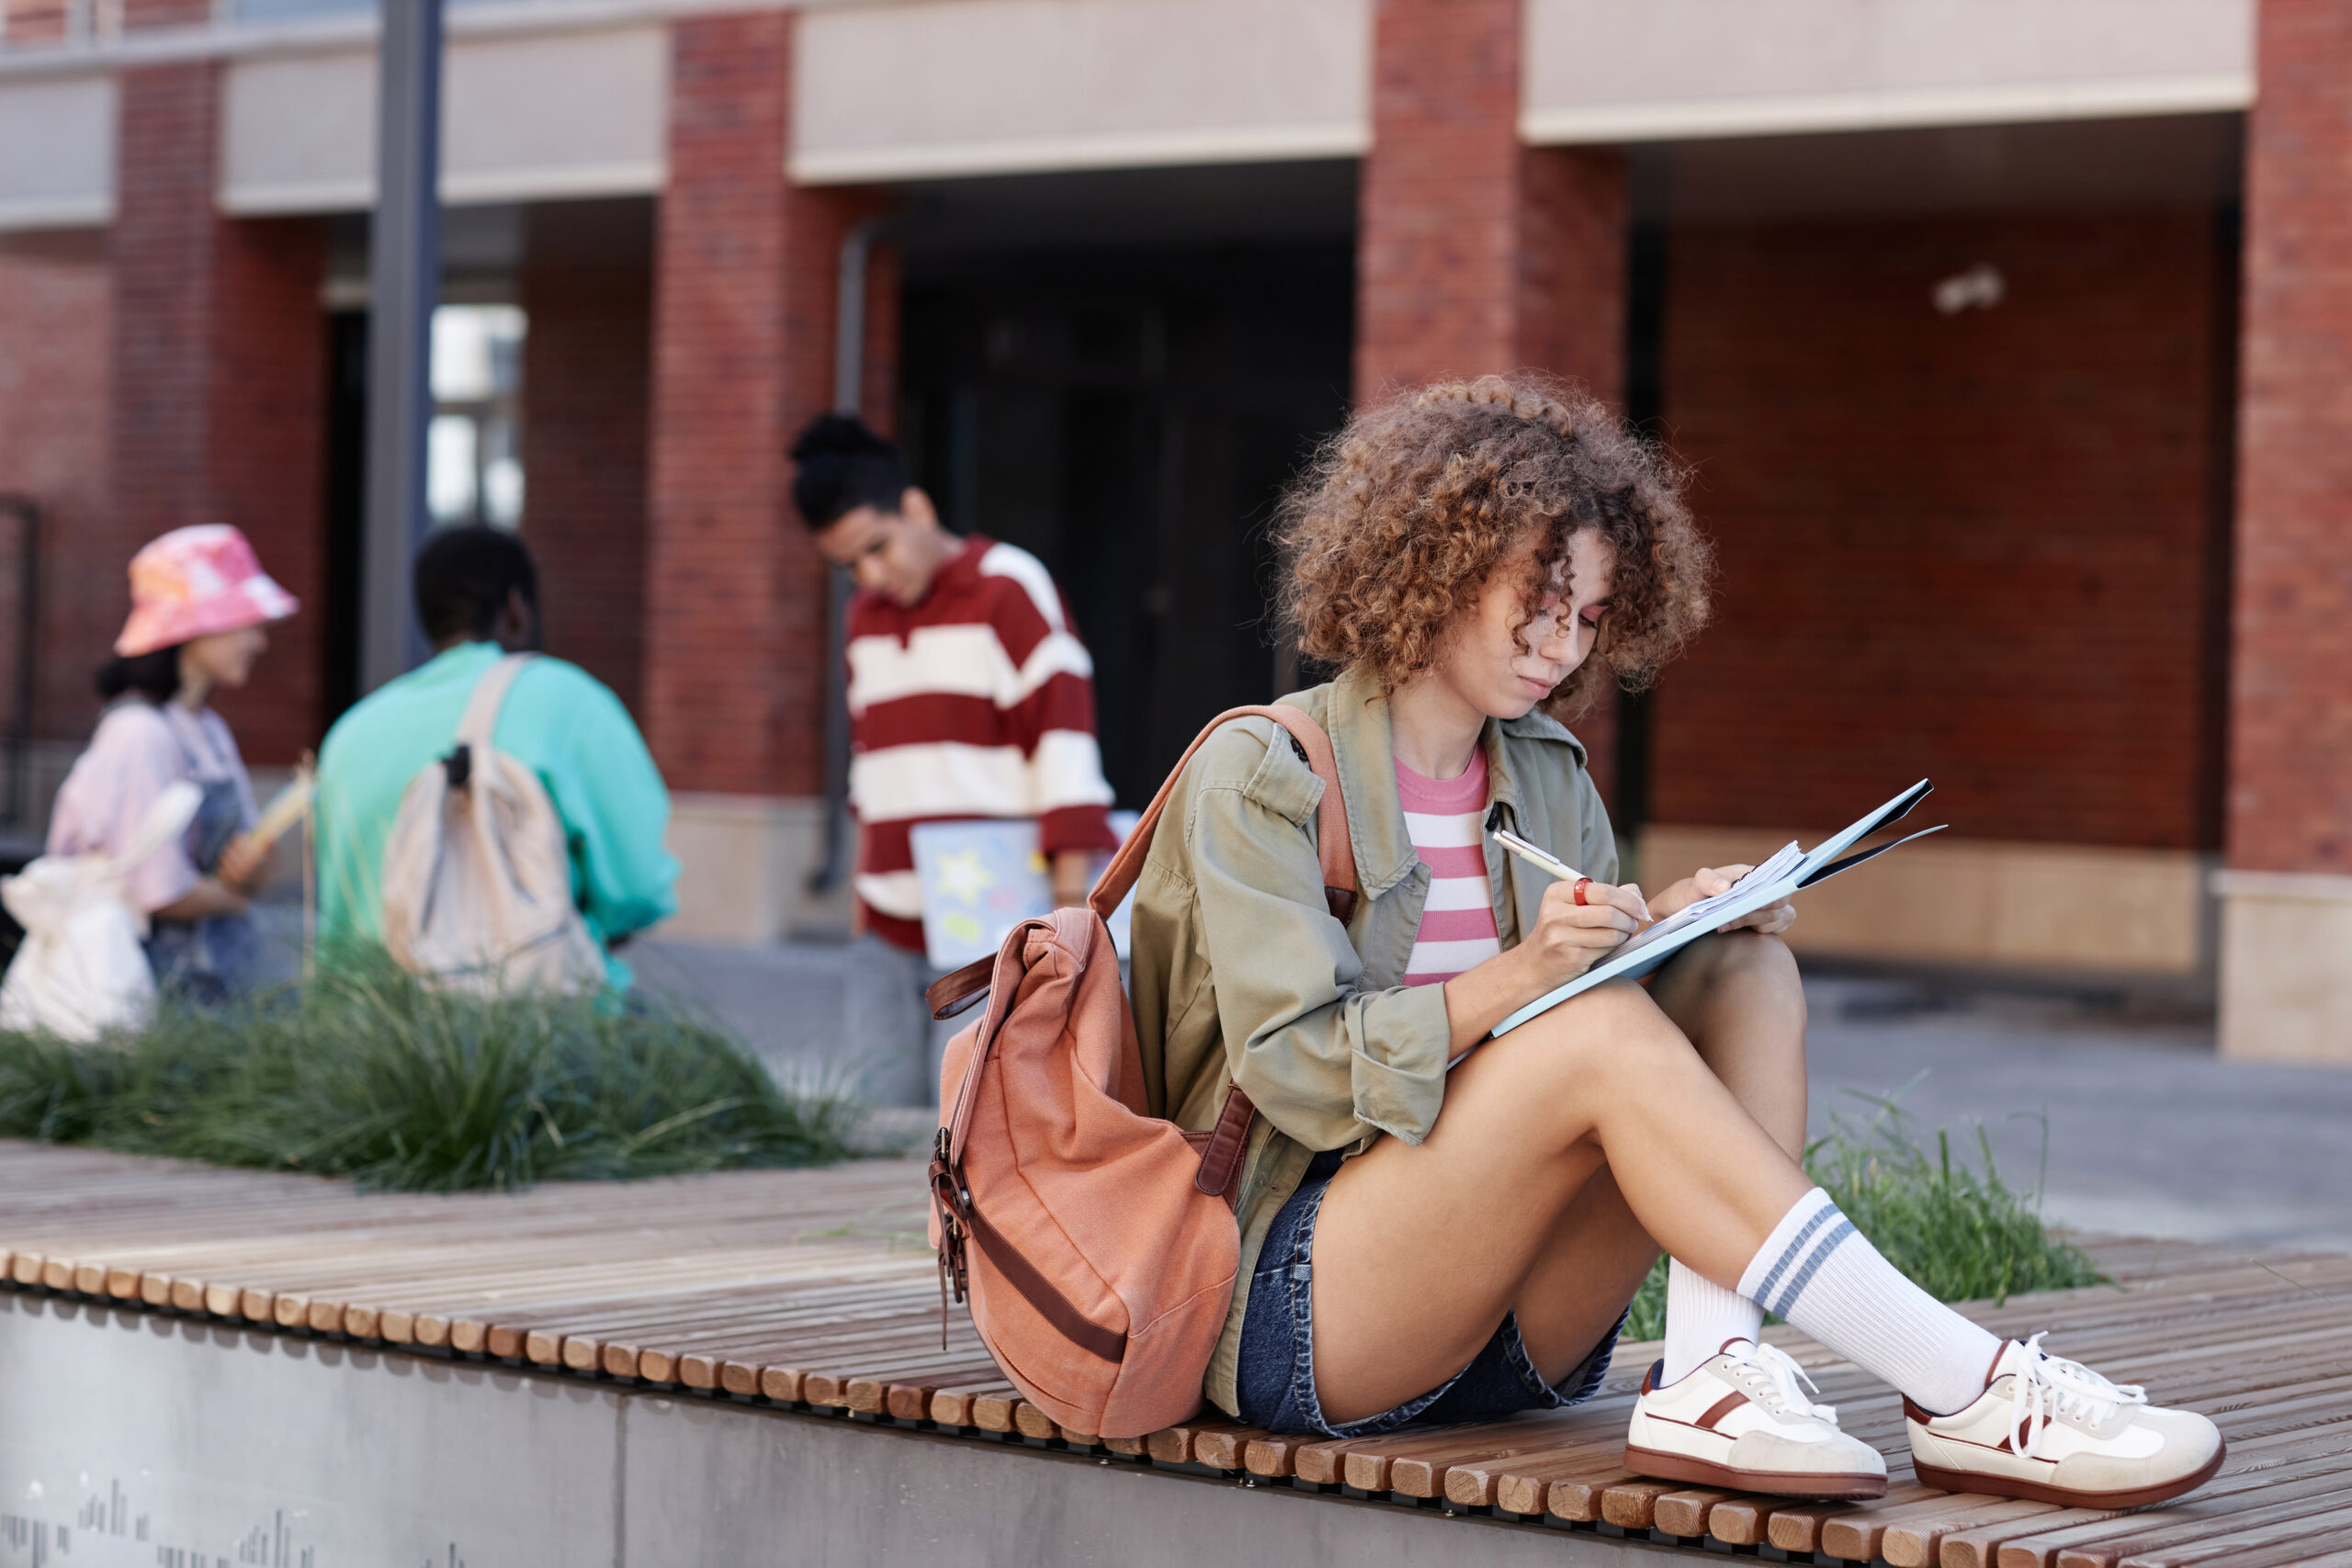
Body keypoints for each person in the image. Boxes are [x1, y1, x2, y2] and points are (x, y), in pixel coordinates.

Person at [1126, 377, 2222, 1507]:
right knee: (1593, 1029)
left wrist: (1664, 925)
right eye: (1537, 599)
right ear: (1437, 564)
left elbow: (1560, 1031)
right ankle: (1967, 1387)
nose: (1560, 642)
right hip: (1301, 1316)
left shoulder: (1546, 772)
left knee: (1744, 970)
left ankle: (1709, 1375)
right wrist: (1537, 970)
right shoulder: (1263, 772)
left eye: (1590, 616)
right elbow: (1298, 1072)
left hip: (1511, 1336)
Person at [791, 415, 1119, 1082]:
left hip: (992, 927)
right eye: (848, 565)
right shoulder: (865, 618)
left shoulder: (1007, 587)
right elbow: (874, 775)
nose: (870, 574)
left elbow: (1065, 757)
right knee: (871, 1122)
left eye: (877, 547)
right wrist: (861, 907)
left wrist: (1067, 932)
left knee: (984, 1136)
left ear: (916, 507)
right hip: (884, 930)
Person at [312, 525, 678, 990]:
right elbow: (638, 886)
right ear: (516, 609)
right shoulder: (569, 701)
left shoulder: (350, 733)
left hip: (370, 1033)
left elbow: (335, 918)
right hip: (534, 1030)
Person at [46, 525, 298, 1002]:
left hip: (215, 987)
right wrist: (239, 897)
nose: (259, 641)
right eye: (247, 621)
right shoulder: (138, 734)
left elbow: (254, 857)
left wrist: (253, 868)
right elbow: (161, 892)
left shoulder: (211, 730)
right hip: (149, 999)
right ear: (194, 626)